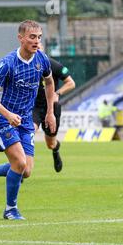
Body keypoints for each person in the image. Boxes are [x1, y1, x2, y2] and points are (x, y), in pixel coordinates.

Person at [0, 20, 56, 220]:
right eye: (32, 37)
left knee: (26, 171)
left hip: (25, 121)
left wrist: (50, 112)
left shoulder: (42, 59)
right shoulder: (7, 63)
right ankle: (10, 209)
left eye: (39, 37)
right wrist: (8, 115)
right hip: (3, 119)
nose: (36, 41)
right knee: (20, 163)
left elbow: (49, 82)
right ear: (20, 38)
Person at [33, 43, 76, 173]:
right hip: (33, 107)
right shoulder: (25, 66)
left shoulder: (53, 65)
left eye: (38, 48)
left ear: (43, 50)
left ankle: (56, 150)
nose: (36, 51)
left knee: (50, 143)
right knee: (28, 133)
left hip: (50, 107)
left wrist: (57, 93)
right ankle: (21, 168)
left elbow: (71, 83)